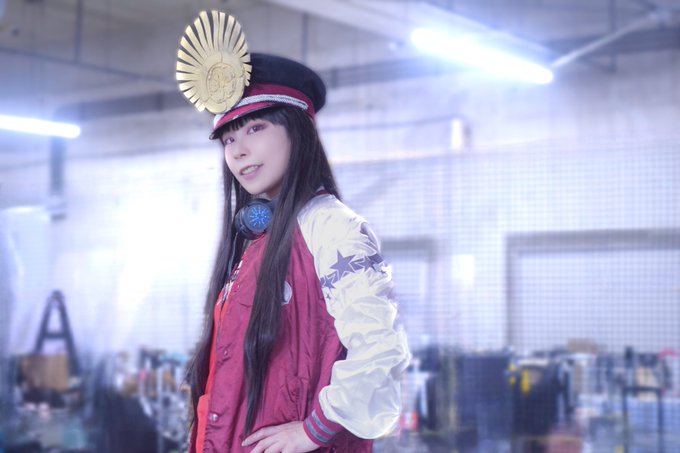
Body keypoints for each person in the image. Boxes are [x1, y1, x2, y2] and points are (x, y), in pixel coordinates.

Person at [177, 12, 410, 453]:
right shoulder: (254, 241)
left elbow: (380, 347)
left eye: (256, 128)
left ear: (299, 132)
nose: (238, 150)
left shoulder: (331, 226)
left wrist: (314, 429)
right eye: (228, 138)